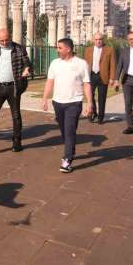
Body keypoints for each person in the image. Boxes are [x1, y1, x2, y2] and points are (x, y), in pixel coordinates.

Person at [42, 38, 92, 173]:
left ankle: (67, 159)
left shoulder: (81, 64)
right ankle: (71, 149)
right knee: (65, 131)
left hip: (74, 103)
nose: (57, 50)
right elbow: (49, 82)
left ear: (68, 49)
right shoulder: (54, 63)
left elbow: (87, 84)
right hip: (58, 102)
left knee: (69, 130)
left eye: (59, 48)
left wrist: (90, 103)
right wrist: (45, 98)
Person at [83, 33, 117, 124]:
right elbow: (85, 64)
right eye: (96, 39)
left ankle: (101, 117)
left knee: (102, 98)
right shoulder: (88, 50)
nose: (98, 41)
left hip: (103, 76)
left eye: (100, 39)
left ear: (103, 40)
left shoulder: (109, 50)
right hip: (91, 76)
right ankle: (94, 113)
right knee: (90, 96)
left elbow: (113, 65)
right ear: (94, 40)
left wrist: (112, 78)